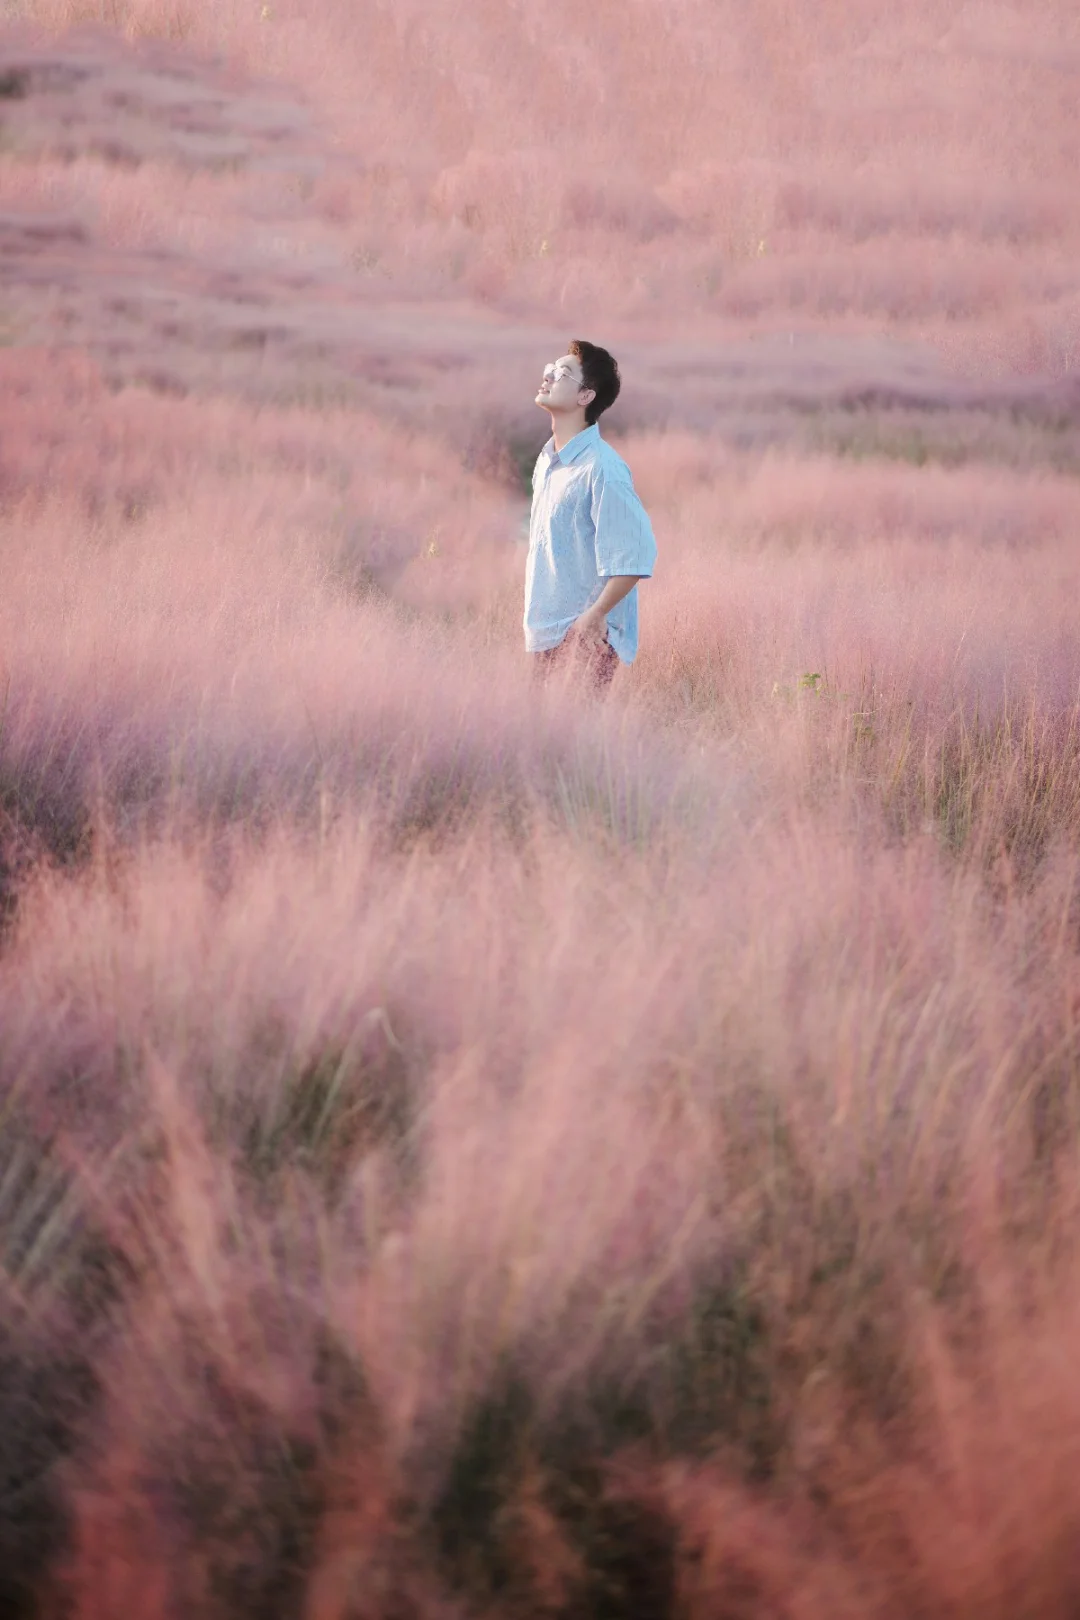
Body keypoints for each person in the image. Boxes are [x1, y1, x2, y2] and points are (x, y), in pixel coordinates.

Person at [524, 340, 657, 688]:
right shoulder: (547, 461)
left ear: (586, 396)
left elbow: (636, 555)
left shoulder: (603, 468)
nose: (549, 376)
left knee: (573, 737)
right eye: (550, 369)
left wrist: (594, 616)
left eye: (563, 373)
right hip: (545, 633)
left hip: (584, 637)